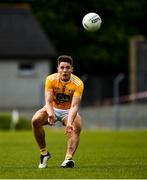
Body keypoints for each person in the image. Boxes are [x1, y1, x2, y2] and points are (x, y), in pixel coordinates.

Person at [32, 55, 84, 168]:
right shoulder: (50, 79)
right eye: (62, 67)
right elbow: (48, 101)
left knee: (77, 126)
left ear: (72, 69)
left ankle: (68, 159)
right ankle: (44, 153)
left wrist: (69, 123)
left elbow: (74, 106)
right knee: (35, 121)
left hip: (68, 110)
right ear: (58, 69)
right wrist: (51, 114)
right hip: (52, 108)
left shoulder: (78, 83)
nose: (64, 70)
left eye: (67, 67)